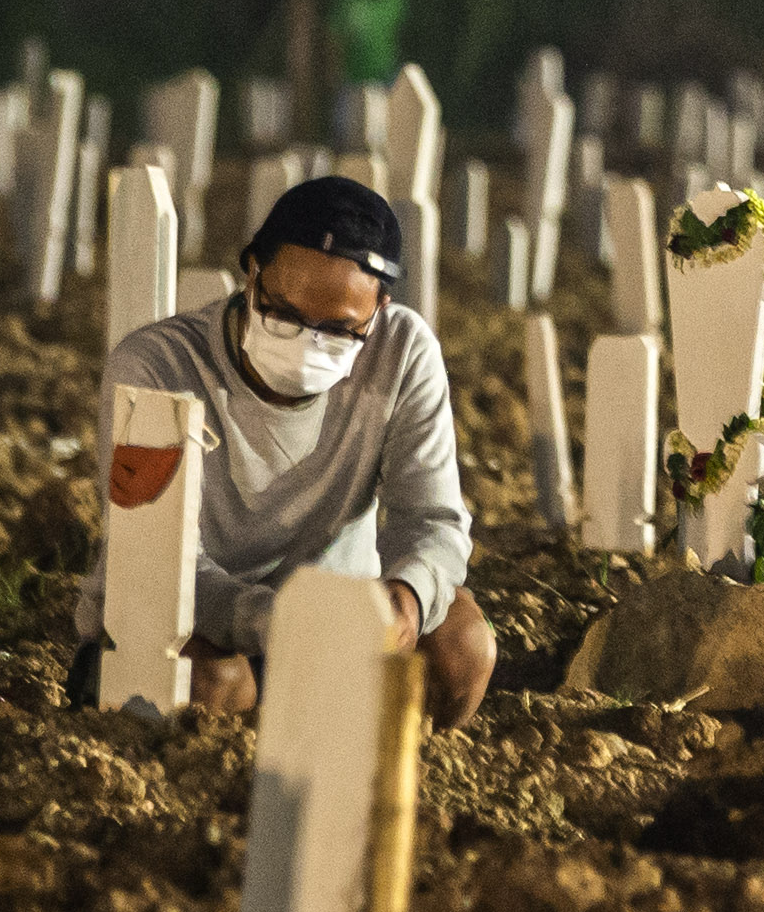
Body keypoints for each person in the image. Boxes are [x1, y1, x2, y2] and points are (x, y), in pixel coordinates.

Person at [69, 174, 496, 728]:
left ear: (379, 309)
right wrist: (282, 623)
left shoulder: (402, 353)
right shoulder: (158, 367)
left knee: (464, 648)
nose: (306, 344)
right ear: (253, 275)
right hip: (192, 621)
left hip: (341, 621)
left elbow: (433, 519)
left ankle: (393, 793)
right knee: (208, 686)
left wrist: (405, 602)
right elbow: (161, 564)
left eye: (339, 330)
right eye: (285, 315)